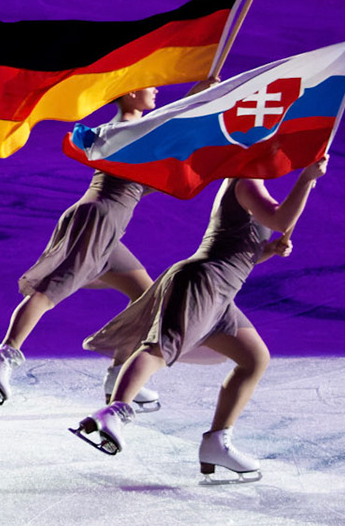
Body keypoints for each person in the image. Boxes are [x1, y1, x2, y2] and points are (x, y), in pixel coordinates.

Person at [74, 157, 329, 481]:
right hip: (203, 283)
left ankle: (216, 443)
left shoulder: (249, 185)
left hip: (219, 293)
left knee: (254, 358)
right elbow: (280, 219)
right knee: (160, 349)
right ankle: (115, 410)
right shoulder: (245, 181)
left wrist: (268, 250)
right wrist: (306, 179)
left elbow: (236, 250)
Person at [0, 88, 167, 408]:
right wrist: (199, 100)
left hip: (107, 225)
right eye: (149, 84)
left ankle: (119, 374)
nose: (156, 89)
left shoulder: (129, 128)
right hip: (98, 219)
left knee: (148, 297)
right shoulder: (124, 128)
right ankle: (3, 354)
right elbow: (169, 129)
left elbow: (136, 184)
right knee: (52, 290)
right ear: (129, 92)